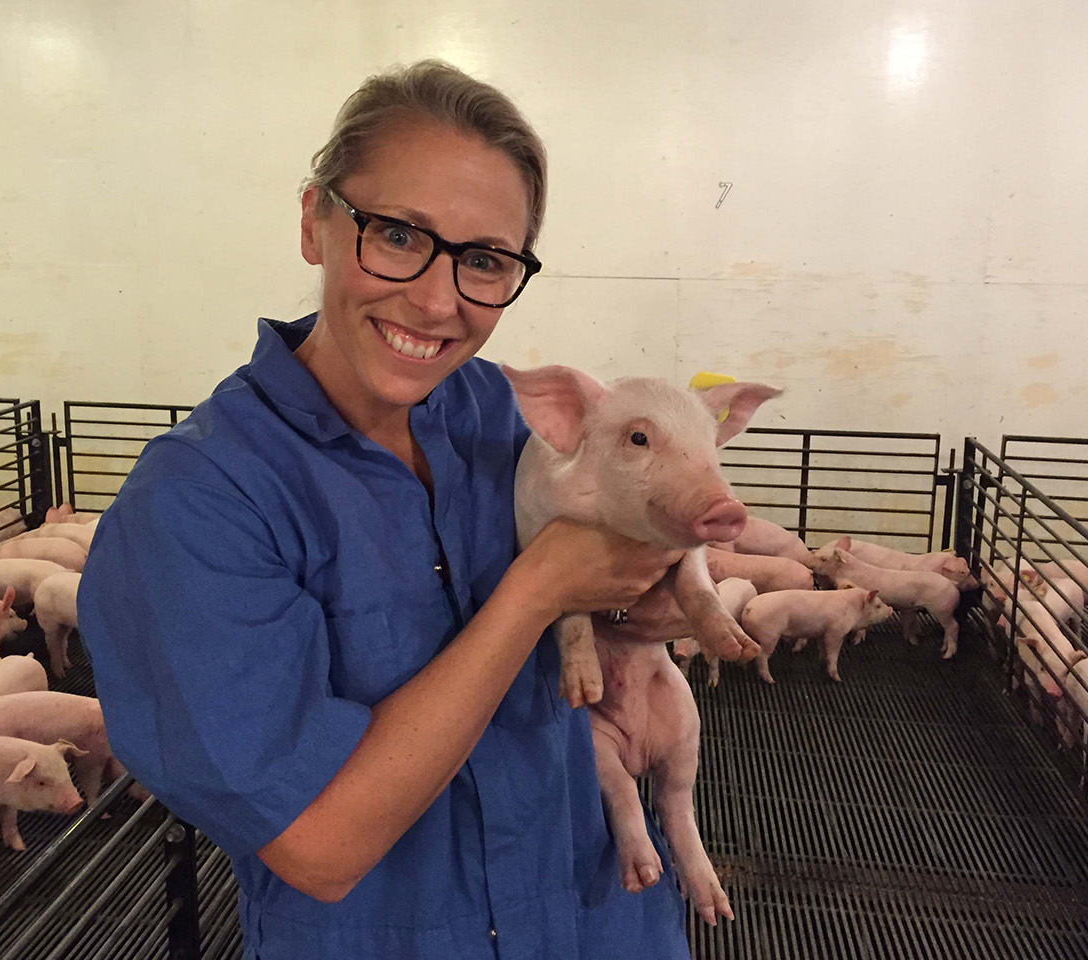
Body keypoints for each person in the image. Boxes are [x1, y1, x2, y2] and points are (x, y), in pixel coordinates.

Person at [79, 59, 692, 960]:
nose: (439, 300)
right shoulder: (202, 502)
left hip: (594, 918)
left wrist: (656, 583)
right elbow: (319, 846)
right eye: (399, 235)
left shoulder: (497, 412)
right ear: (313, 222)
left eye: (485, 260)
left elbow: (624, 595)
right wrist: (534, 592)